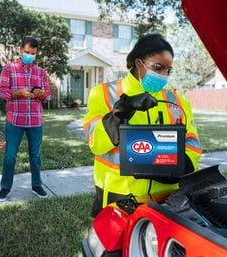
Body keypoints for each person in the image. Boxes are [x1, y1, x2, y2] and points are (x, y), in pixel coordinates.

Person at [83, 33, 202, 217]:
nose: (164, 75)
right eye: (158, 68)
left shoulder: (178, 102)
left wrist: (178, 167)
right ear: (139, 63)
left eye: (168, 71)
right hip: (120, 196)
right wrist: (122, 110)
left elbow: (192, 144)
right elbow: (96, 143)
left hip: (167, 197)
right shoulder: (104, 94)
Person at [0, 36, 50, 201]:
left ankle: (37, 185)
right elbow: (1, 91)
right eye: (27, 52)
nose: (29, 56)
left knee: (35, 155)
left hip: (35, 120)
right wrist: (17, 92)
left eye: (33, 53)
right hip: (15, 120)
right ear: (20, 50)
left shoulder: (41, 72)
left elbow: (47, 96)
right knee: (10, 155)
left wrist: (42, 94)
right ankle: (5, 187)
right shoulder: (9, 69)